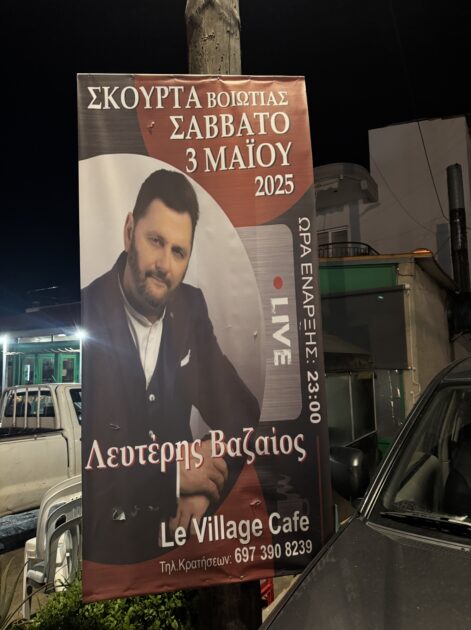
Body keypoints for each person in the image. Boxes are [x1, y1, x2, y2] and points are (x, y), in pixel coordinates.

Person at [81, 169, 260, 564]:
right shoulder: (88, 311)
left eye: (178, 252)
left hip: (184, 547)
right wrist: (175, 478)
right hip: (114, 554)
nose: (164, 264)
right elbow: (96, 465)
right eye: (156, 241)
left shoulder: (190, 307)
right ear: (129, 231)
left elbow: (243, 413)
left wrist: (203, 482)